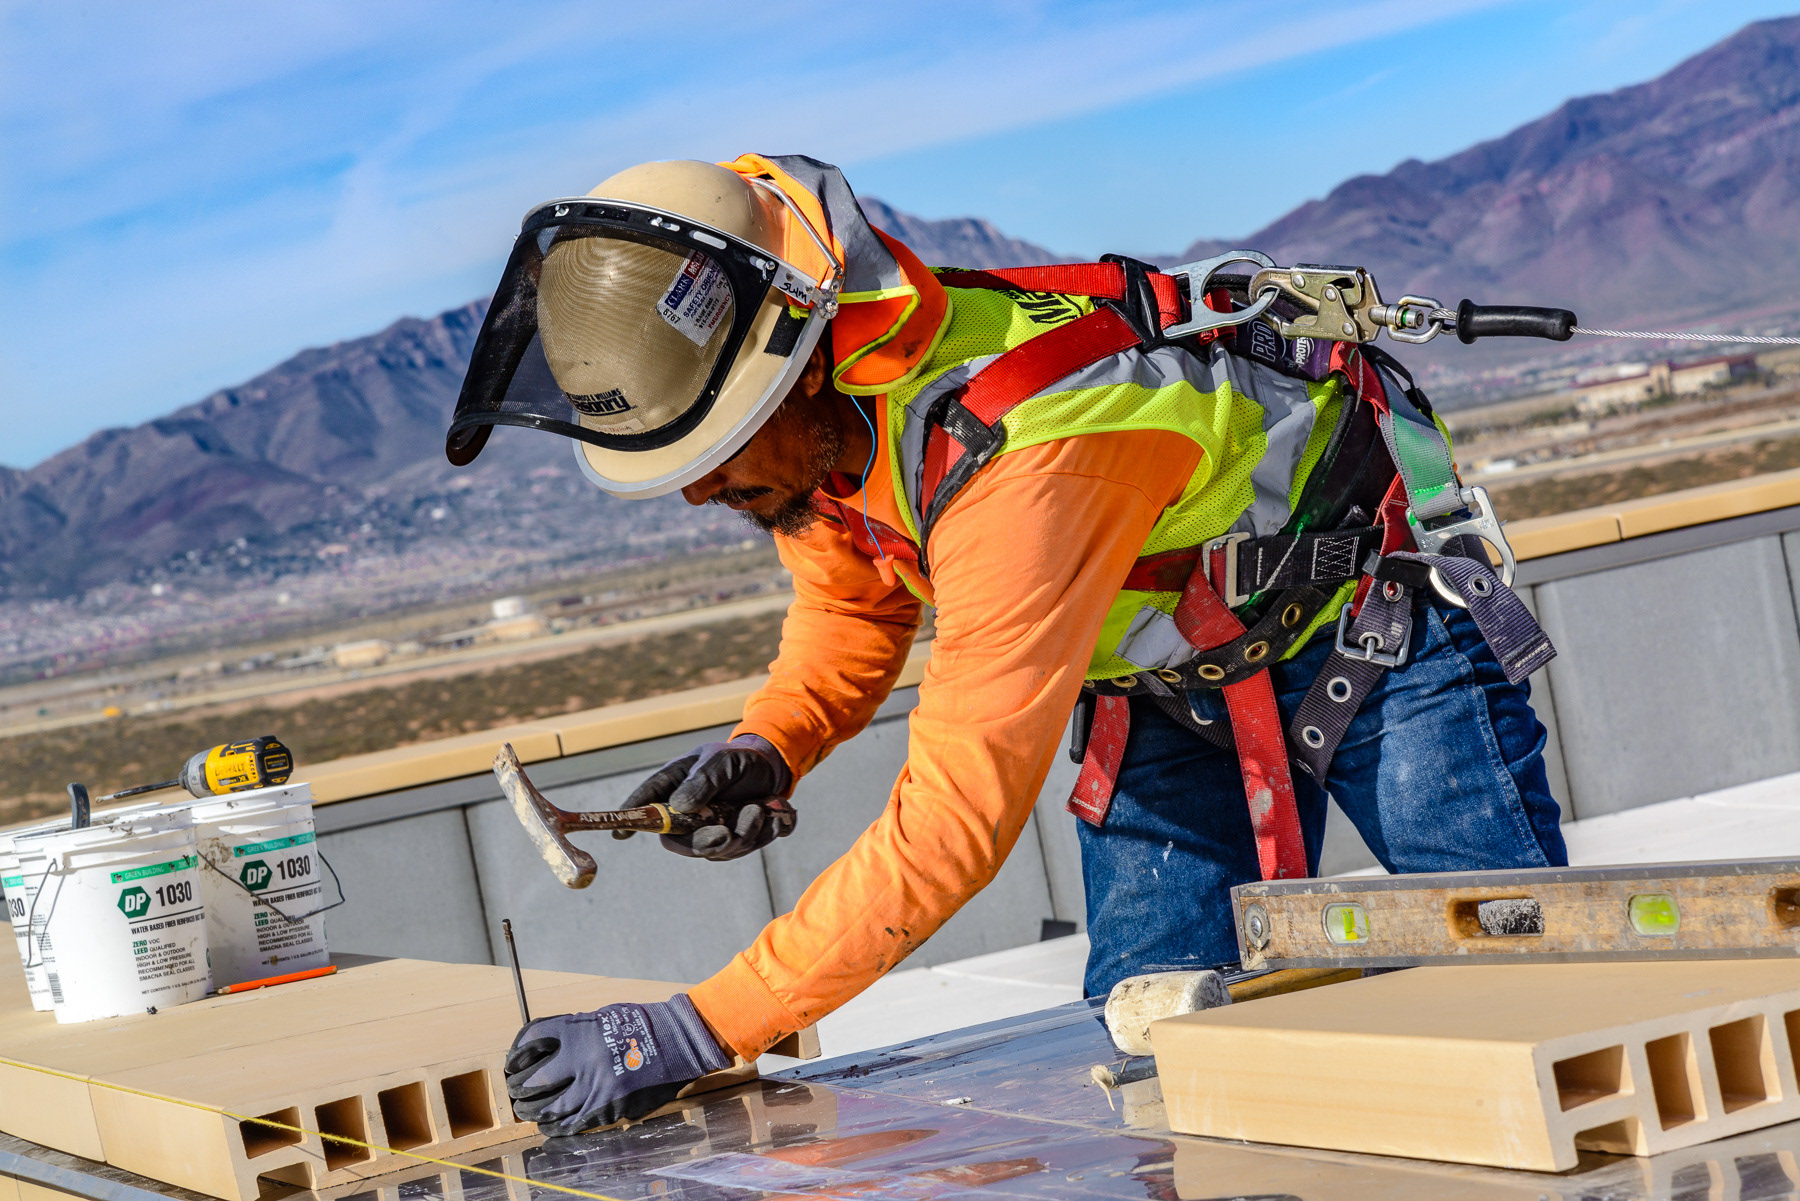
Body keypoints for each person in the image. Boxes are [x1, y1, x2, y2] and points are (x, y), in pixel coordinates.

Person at [447, 154, 1568, 1136]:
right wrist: (772, 743)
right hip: (1173, 690)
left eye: (723, 444)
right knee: (1154, 1049)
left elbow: (955, 822)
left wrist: (698, 1029)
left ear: (808, 358)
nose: (698, 488)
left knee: (1527, 1006)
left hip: (1373, 644)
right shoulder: (843, 432)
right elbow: (854, 604)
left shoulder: (1025, 458)